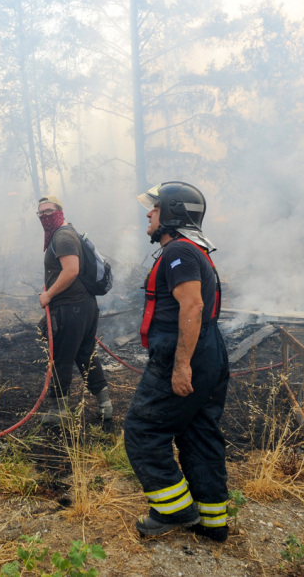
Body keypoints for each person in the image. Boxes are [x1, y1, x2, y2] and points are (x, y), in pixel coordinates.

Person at [124, 181, 231, 542]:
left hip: (184, 353)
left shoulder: (178, 254)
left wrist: (181, 365)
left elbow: (193, 306)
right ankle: (212, 521)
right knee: (199, 432)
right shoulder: (193, 251)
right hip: (210, 351)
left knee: (143, 430)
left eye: (154, 209)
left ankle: (175, 510)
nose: (148, 214)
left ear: (172, 213)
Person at [36, 195, 112, 425]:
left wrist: (49, 294)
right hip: (84, 306)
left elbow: (71, 270)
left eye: (49, 211)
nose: (45, 216)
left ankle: (58, 412)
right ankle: (105, 406)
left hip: (72, 308)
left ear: (60, 211)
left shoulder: (63, 236)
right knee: (85, 355)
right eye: (40, 213)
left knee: (62, 357)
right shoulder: (67, 233)